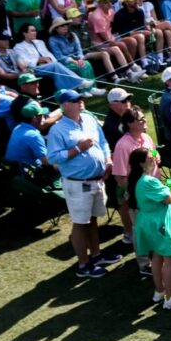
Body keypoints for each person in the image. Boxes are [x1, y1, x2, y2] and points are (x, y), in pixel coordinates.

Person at [47, 89, 119, 278]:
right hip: (77, 184)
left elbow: (102, 142)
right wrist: (78, 149)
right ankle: (83, 265)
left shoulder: (89, 119)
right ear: (64, 106)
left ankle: (96, 255)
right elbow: (53, 157)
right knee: (80, 223)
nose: (81, 102)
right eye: (75, 100)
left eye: (80, 99)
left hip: (96, 180)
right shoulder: (57, 130)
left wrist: (108, 160)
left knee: (93, 219)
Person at [128, 146, 171, 309]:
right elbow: (169, 199)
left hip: (149, 221)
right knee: (170, 259)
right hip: (159, 223)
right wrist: (170, 188)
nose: (154, 158)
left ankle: (160, 291)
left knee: (157, 257)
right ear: (141, 163)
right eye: (150, 157)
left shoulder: (140, 179)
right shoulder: (150, 181)